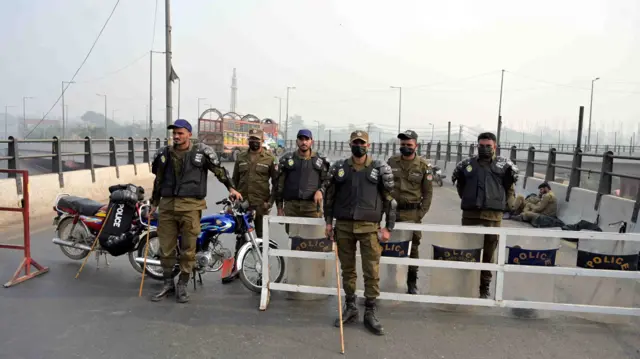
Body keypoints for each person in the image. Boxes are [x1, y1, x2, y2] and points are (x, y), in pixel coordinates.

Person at [149, 119, 241, 303]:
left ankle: (182, 284)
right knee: (165, 249)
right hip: (167, 207)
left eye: (180, 133)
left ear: (189, 134)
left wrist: (231, 188)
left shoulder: (202, 152)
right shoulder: (163, 154)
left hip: (190, 207)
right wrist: (154, 203)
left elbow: (219, 171)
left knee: (188, 250)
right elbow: (158, 181)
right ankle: (168, 283)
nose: (176, 136)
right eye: (174, 133)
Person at [324, 130, 397, 336]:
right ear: (350, 144)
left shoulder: (379, 168)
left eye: (362, 143)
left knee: (371, 271)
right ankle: (351, 307)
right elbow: (329, 197)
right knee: (347, 270)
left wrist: (388, 227)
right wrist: (328, 222)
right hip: (344, 227)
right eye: (355, 142)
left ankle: (370, 311)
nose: (359, 146)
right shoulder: (339, 168)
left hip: (369, 228)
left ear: (369, 145)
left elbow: (390, 200)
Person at [451, 132, 518, 299]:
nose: (485, 148)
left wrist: (506, 205)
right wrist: (470, 200)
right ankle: (466, 286)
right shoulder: (467, 165)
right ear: (477, 145)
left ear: (495, 146)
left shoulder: (504, 167)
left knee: (488, 254)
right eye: (481, 145)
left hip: (493, 218)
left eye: (488, 146)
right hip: (470, 215)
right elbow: (461, 187)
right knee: (468, 253)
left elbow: (509, 189)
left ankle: (484, 288)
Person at [223, 128, 278, 283]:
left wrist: (270, 202)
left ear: (262, 141)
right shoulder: (241, 157)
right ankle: (236, 269)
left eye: (257, 139)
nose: (254, 142)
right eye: (251, 139)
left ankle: (263, 272)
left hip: (261, 205)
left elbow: (276, 183)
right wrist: (233, 199)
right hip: (242, 205)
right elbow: (234, 180)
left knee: (261, 239)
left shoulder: (269, 158)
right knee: (241, 238)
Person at [387, 129, 433, 294]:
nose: (405, 147)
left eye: (409, 144)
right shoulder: (391, 162)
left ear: (416, 145)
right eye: (403, 144)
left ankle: (411, 282)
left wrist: (420, 214)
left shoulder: (423, 166)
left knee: (413, 249)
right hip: (393, 212)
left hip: (413, 214)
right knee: (390, 247)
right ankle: (390, 280)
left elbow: (428, 194)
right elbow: (384, 187)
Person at [276, 129, 329, 231]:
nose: (304, 142)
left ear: (311, 141)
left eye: (306, 139)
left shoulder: (320, 160)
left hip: (312, 208)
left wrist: (320, 191)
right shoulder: (287, 160)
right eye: (301, 139)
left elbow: (327, 181)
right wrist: (279, 208)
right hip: (291, 207)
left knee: (312, 240)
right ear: (297, 141)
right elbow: (279, 185)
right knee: (293, 239)